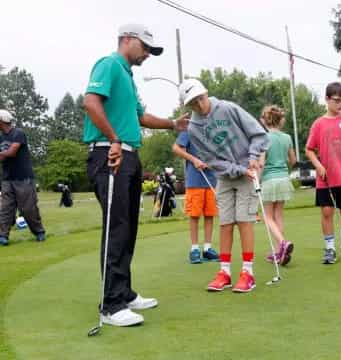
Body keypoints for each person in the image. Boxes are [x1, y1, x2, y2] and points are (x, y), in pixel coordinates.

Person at [83, 23, 188, 327]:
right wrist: (114, 138)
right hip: (110, 153)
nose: (147, 54)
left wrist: (172, 124)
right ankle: (111, 305)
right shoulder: (109, 64)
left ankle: (124, 293)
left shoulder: (128, 77)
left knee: (128, 228)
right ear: (127, 40)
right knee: (117, 228)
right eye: (144, 47)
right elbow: (91, 102)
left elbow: (140, 117)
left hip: (128, 155)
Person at [178, 78, 269, 293]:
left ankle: (248, 272)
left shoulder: (228, 108)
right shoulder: (193, 129)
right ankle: (225, 272)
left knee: (244, 220)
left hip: (249, 169)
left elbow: (258, 133)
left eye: (200, 99)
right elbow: (211, 159)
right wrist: (236, 169)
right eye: (193, 103)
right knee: (226, 222)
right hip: (226, 176)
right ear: (188, 106)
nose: (200, 106)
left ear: (206, 93)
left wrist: (253, 157)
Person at [305, 82, 341, 264]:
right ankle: (329, 249)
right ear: (327, 99)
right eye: (337, 101)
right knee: (327, 212)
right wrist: (318, 165)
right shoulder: (318, 124)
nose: (340, 105)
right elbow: (309, 149)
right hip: (326, 179)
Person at [172, 131, 220, 264]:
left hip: (211, 180)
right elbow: (176, 148)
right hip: (194, 181)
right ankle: (194, 249)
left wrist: (210, 164)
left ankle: (207, 249)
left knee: (210, 215)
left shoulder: (213, 131)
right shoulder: (189, 130)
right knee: (194, 215)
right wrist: (194, 160)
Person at [0, 109, 46, 246]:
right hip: (7, 179)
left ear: (2, 120)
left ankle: (39, 232)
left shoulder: (18, 133)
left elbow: (12, 152)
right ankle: (3, 236)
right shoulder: (1, 137)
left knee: (28, 208)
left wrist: (3, 154)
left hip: (23, 178)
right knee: (5, 209)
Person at [259, 105, 296, 265]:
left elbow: (261, 163)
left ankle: (282, 243)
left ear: (265, 120)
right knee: (278, 215)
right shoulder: (287, 137)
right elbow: (293, 161)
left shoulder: (263, 138)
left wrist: (256, 183)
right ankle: (279, 252)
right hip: (283, 179)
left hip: (269, 179)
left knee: (267, 217)